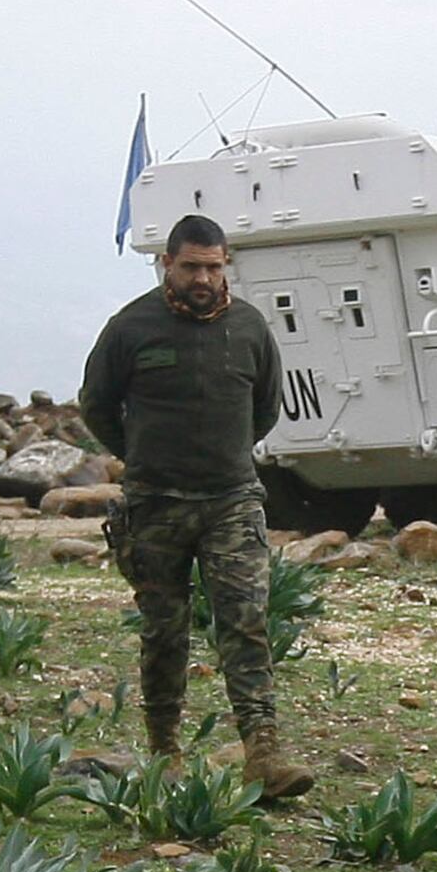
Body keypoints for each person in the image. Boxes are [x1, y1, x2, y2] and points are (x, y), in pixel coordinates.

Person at [76, 212, 310, 797]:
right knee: (163, 629)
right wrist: (140, 456)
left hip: (231, 500)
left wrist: (224, 456)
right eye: (190, 267)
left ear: (225, 264)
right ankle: (165, 751)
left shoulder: (251, 327)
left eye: (212, 266)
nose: (202, 278)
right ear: (167, 265)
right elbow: (97, 405)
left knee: (245, 622)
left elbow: (265, 409)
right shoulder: (131, 328)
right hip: (155, 505)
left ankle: (263, 751)